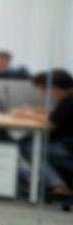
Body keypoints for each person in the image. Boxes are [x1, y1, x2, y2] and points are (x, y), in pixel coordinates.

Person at [11, 70, 73, 200]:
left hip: (67, 148)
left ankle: (58, 185)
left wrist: (23, 114)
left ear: (54, 87)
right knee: (30, 143)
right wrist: (35, 111)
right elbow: (56, 112)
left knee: (28, 147)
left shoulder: (68, 101)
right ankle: (46, 179)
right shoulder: (68, 98)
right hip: (66, 144)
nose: (43, 91)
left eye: (45, 87)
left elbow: (52, 122)